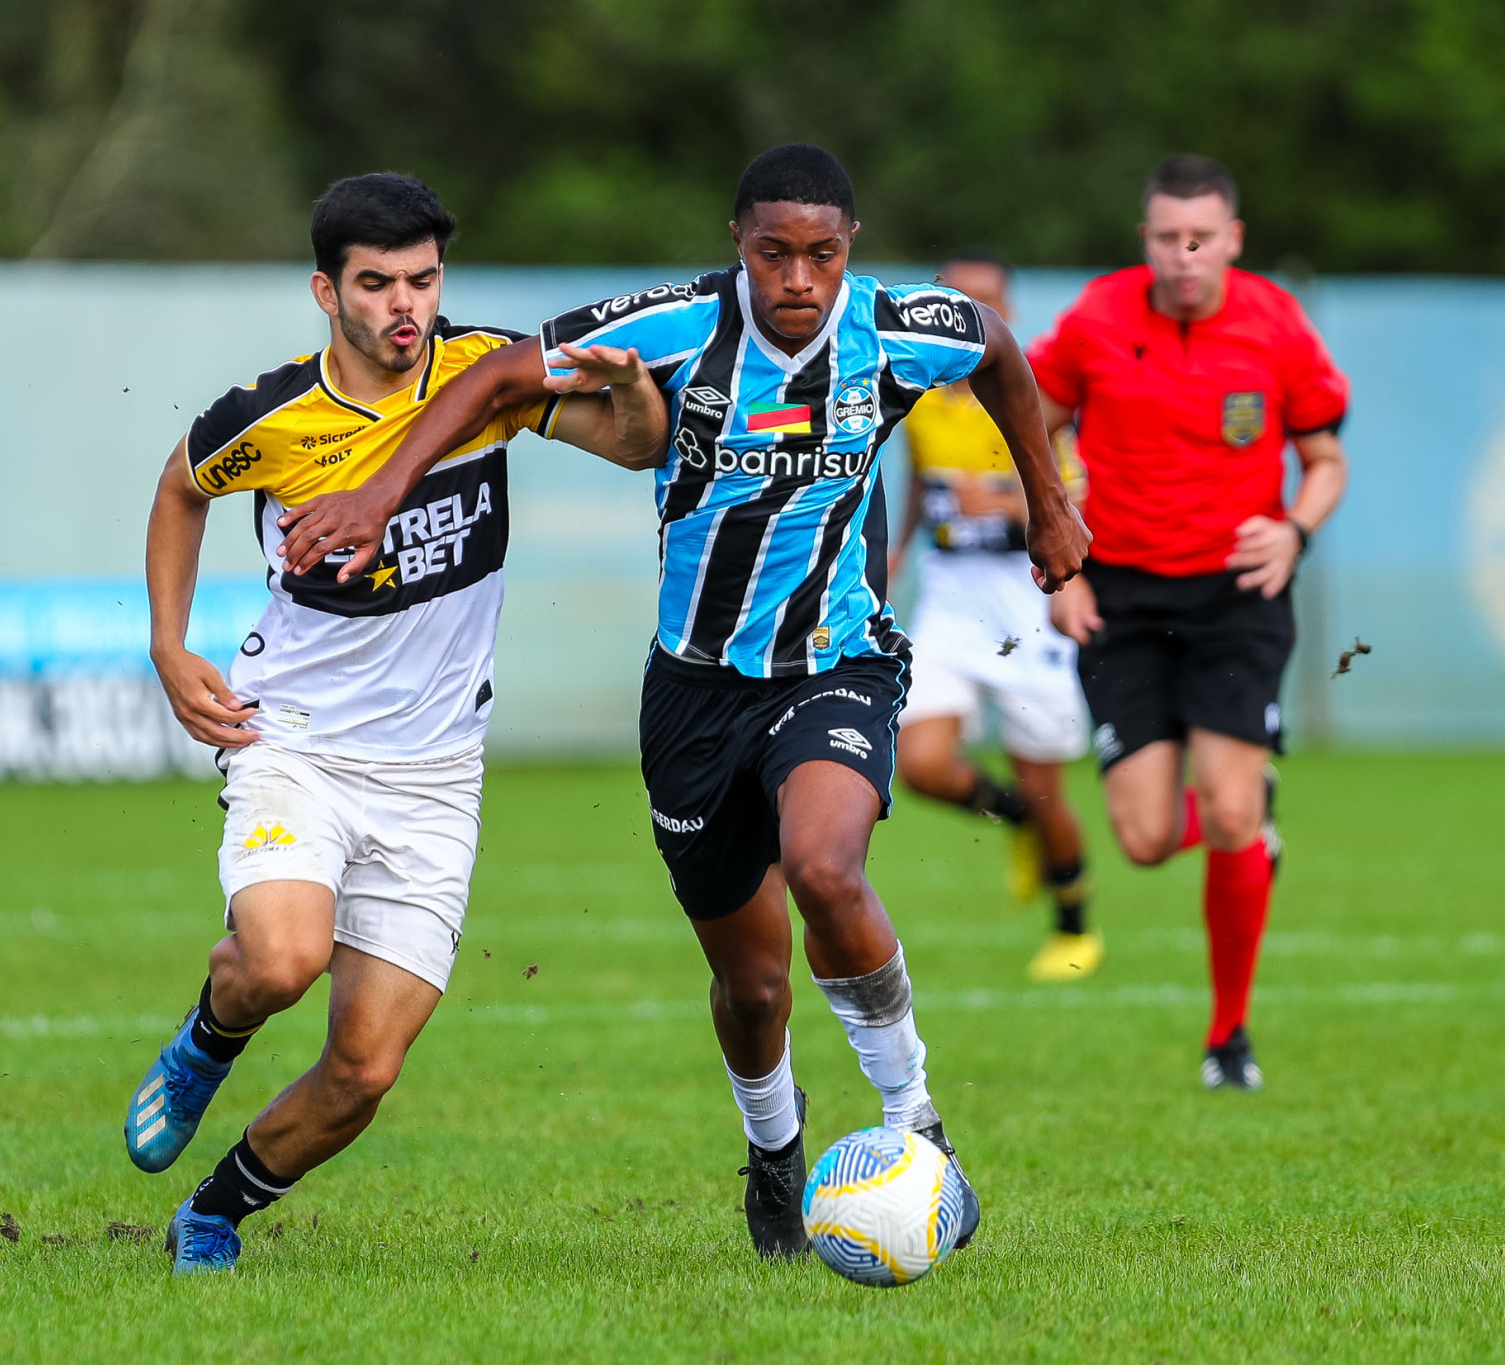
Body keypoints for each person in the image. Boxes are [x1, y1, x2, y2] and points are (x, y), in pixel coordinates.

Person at [277, 144, 1090, 1258]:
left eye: (819, 254)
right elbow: (495, 379)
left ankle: (917, 1124)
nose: (796, 279)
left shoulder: (899, 327)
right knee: (750, 985)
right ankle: (773, 1151)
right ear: (737, 247)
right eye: (772, 254)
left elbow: (996, 351)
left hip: (833, 662)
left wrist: (1049, 504)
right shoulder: (678, 325)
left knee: (823, 867)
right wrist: (379, 488)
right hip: (694, 694)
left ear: (846, 249)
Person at [129, 172, 667, 1274]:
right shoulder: (269, 417)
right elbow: (180, 489)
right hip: (298, 745)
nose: (403, 305)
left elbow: (634, 446)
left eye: (421, 280)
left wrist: (636, 392)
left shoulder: (485, 375)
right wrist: (167, 645)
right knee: (280, 961)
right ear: (326, 293)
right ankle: (206, 1041)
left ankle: (214, 1212)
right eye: (376, 284)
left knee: (364, 1072)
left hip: (433, 774)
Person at [1031, 154, 1351, 1090]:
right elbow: (1029, 429)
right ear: (1147, 241)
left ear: (1233, 240)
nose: (1184, 256)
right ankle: (1243, 814)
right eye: (1168, 238)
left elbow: (1324, 458)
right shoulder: (1096, 319)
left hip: (1235, 595)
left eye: (1200, 238)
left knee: (1228, 808)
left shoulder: (1275, 324)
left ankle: (1228, 1037)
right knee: (1138, 837)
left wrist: (1295, 530)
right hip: (1121, 596)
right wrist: (1059, 564)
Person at [888, 247, 1099, 983]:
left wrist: (1006, 501)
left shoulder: (1033, 398)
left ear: (1006, 314)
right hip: (950, 603)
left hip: (1026, 603)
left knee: (1048, 788)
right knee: (917, 764)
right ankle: (1012, 820)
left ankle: (1075, 923)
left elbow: (1077, 496)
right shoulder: (914, 394)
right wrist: (901, 546)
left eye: (987, 304)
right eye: (958, 302)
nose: (971, 319)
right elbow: (921, 483)